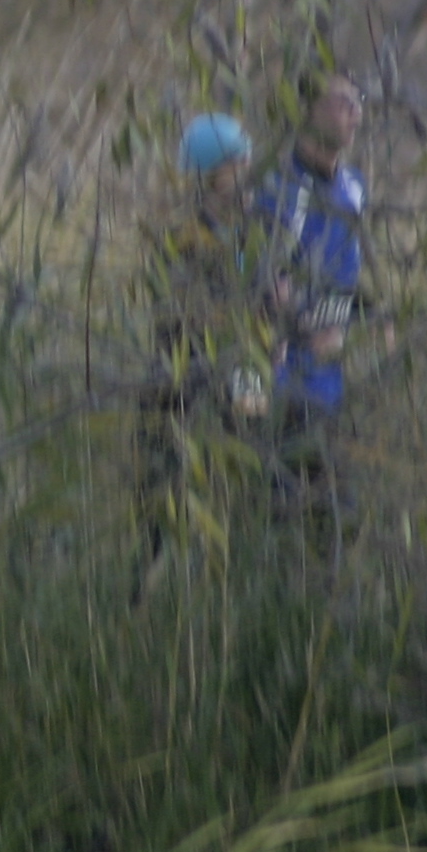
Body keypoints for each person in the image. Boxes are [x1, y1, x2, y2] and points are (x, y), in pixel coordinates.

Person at [137, 112, 271, 579]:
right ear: (214, 173)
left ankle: (243, 566)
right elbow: (179, 315)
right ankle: (155, 575)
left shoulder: (259, 225)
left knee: (254, 462)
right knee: (164, 480)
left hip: (247, 365)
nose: (249, 167)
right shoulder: (182, 235)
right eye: (239, 161)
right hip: (183, 370)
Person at [253, 71, 367, 534]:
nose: (355, 112)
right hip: (286, 388)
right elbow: (267, 295)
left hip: (334, 388)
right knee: (300, 523)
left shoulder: (355, 188)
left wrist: (367, 320)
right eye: (342, 101)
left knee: (336, 527)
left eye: (357, 101)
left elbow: (351, 285)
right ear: (306, 112)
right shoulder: (279, 191)